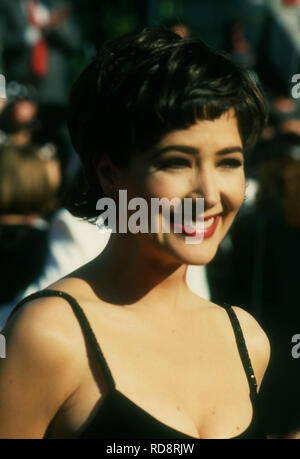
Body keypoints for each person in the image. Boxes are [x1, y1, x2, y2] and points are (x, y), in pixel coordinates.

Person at [0, 27, 270, 439]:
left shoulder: (248, 340)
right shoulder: (49, 335)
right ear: (110, 175)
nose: (209, 194)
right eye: (177, 162)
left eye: (229, 162)